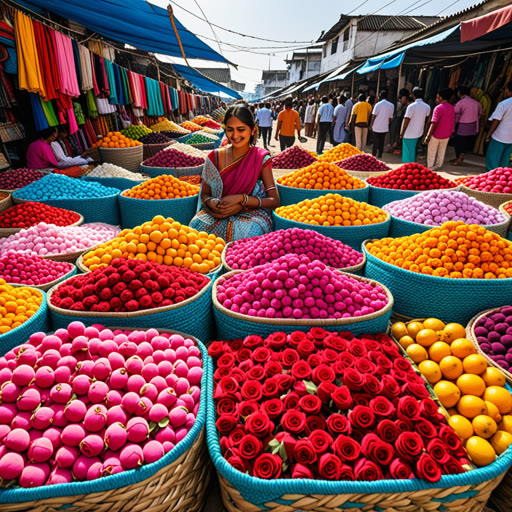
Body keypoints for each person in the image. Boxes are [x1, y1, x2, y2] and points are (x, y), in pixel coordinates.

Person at [189, 105, 280, 242]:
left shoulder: (260, 158)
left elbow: (274, 201)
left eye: (241, 130)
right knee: (196, 226)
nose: (235, 135)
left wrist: (242, 200)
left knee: (250, 233)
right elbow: (205, 192)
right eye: (230, 130)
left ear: (253, 129)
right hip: (217, 212)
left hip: (250, 212)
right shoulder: (215, 157)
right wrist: (211, 202)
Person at [425, 88, 455, 170]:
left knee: (432, 151)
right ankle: (438, 165)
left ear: (441, 98)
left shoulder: (438, 108)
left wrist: (428, 135)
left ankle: (430, 167)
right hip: (447, 134)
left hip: (436, 134)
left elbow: (434, 123)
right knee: (442, 151)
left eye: (437, 97)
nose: (436, 99)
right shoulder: (452, 108)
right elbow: (452, 121)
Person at [452, 86, 482, 166]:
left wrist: (454, 125)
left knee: (459, 142)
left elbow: (456, 114)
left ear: (460, 93)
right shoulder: (477, 103)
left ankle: (459, 158)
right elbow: (480, 114)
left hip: (462, 125)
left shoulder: (461, 103)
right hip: (473, 126)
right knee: (466, 142)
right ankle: (459, 157)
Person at [485, 81, 512, 170]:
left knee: (492, 162)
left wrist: (488, 135)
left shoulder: (504, 104)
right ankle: (501, 180)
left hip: (499, 136)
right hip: (510, 139)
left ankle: (491, 179)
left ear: (508, 90)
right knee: (504, 162)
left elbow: (496, 120)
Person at [400, 87, 431, 163]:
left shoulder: (411, 106)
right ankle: (412, 166)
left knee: (407, 152)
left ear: (413, 95)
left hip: (409, 133)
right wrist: (425, 131)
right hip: (419, 132)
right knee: (413, 151)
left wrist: (402, 133)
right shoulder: (427, 107)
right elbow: (427, 121)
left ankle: (408, 167)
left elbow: (406, 120)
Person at [370, 90, 394, 158]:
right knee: (381, 141)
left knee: (375, 142)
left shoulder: (377, 105)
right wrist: (387, 122)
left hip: (376, 126)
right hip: (384, 126)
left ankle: (374, 154)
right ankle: (380, 154)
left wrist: (371, 124)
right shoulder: (391, 105)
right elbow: (390, 117)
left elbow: (373, 116)